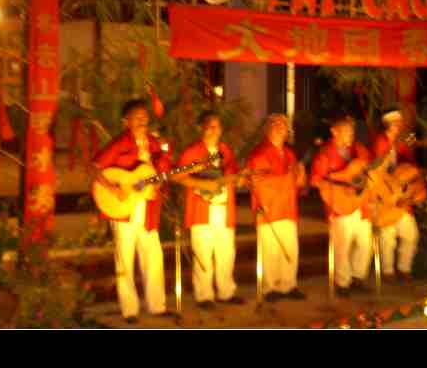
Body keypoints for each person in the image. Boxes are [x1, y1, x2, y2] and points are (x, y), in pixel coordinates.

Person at [92, 99, 170, 324]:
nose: (142, 120)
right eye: (137, 117)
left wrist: (159, 182)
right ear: (126, 121)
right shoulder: (120, 143)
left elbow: (161, 172)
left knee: (153, 255)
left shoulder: (154, 144)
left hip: (148, 208)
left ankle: (157, 306)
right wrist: (113, 189)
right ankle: (129, 310)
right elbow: (95, 168)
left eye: (145, 117)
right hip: (123, 207)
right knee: (125, 258)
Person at [174, 111, 245, 310]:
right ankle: (204, 296)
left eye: (218, 126)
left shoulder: (225, 150)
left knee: (226, 252)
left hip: (224, 209)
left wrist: (239, 179)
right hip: (202, 210)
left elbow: (232, 173)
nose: (215, 130)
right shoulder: (192, 152)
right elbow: (177, 176)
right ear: (201, 128)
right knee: (203, 253)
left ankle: (226, 292)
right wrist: (202, 184)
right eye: (211, 126)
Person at [310, 116, 373, 297]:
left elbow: (370, 169)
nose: (350, 135)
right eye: (346, 131)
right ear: (334, 131)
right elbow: (315, 180)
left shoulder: (359, 150)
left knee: (365, 242)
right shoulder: (325, 153)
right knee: (342, 246)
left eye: (352, 132)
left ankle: (358, 276)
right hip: (340, 205)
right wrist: (339, 182)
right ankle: (343, 282)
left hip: (361, 204)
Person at [246, 114, 307, 302]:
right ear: (268, 128)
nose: (281, 127)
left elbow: (297, 185)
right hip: (269, 208)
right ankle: (270, 287)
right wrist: (288, 179)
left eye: (284, 124)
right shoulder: (259, 153)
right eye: (277, 124)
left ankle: (289, 284)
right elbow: (258, 182)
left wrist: (300, 177)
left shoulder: (290, 154)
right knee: (270, 250)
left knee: (290, 248)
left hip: (288, 207)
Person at [371, 110, 419, 283]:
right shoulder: (379, 142)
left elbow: (409, 169)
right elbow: (376, 169)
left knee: (411, 234)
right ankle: (387, 271)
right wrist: (392, 182)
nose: (400, 125)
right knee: (387, 235)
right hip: (383, 196)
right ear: (388, 125)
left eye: (400, 122)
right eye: (396, 122)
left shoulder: (402, 144)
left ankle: (404, 269)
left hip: (399, 197)